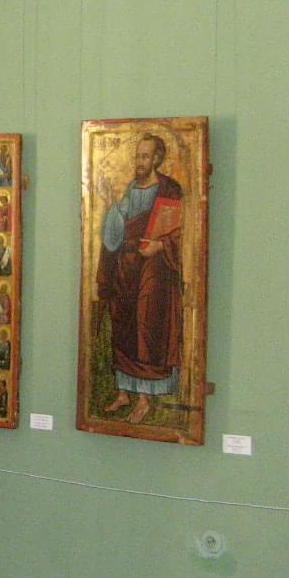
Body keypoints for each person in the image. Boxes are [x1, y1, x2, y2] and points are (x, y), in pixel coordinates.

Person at [96, 134, 183, 425]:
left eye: (145, 156)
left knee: (146, 328)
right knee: (123, 325)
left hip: (154, 271)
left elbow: (184, 232)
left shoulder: (170, 189)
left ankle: (145, 398)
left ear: (157, 159)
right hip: (127, 267)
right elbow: (115, 233)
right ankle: (124, 392)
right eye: (137, 156)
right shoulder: (131, 189)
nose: (139, 162)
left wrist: (160, 246)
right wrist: (110, 202)